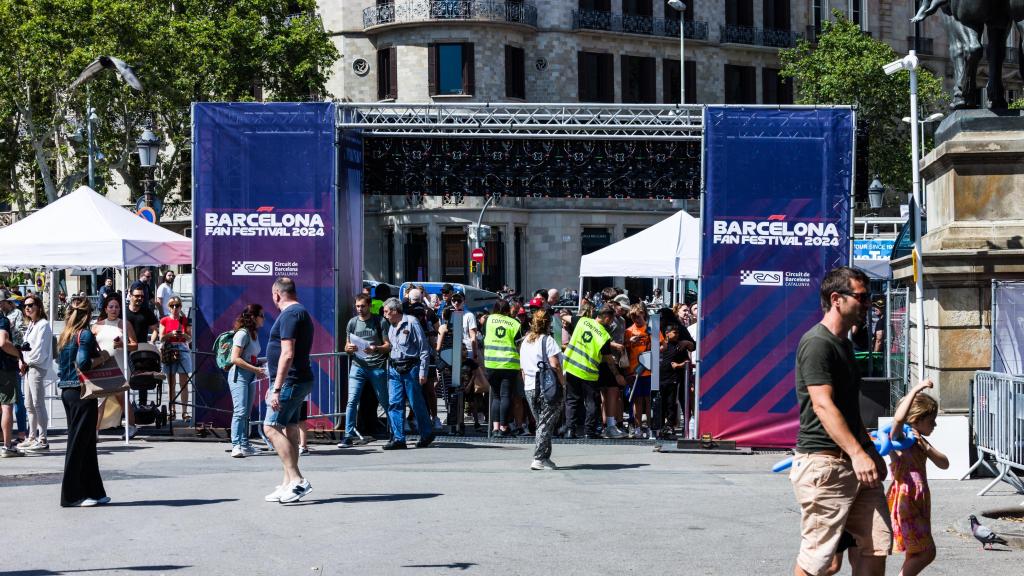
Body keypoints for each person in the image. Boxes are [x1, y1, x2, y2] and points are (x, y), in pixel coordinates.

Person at [790, 266, 891, 576]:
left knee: (876, 543)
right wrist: (858, 454)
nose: (867, 304)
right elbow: (823, 404)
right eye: (861, 297)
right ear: (837, 298)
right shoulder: (817, 343)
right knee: (818, 561)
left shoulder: (844, 344)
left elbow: (849, 410)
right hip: (826, 463)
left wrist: (868, 450)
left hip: (854, 460)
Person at [887, 380, 948, 576]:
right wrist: (915, 389)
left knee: (915, 553)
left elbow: (944, 463)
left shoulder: (919, 442)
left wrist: (926, 447)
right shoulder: (900, 440)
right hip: (907, 501)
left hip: (918, 502)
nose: (935, 424)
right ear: (916, 419)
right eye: (931, 420)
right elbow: (898, 420)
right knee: (927, 552)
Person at [263, 277, 315, 503]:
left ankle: (297, 480)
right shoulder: (299, 313)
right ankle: (287, 483)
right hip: (297, 380)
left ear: (276, 293)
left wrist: (276, 388)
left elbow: (287, 353)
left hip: (290, 382)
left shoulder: (290, 314)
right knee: (290, 428)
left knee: (271, 427)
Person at [56, 299, 111, 506]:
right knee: (79, 444)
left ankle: (94, 491)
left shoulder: (65, 335)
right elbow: (83, 363)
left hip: (68, 391)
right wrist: (103, 357)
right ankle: (72, 496)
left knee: (86, 443)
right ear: (88, 314)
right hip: (82, 393)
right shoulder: (85, 334)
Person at [563, 305, 624, 439]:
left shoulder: (582, 321)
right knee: (592, 402)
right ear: (607, 318)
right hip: (588, 372)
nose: (611, 322)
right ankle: (589, 431)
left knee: (572, 400)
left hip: (571, 367)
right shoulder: (603, 335)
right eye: (611, 319)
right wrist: (617, 374)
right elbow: (608, 358)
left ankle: (570, 430)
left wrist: (563, 318)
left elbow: (565, 316)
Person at [381, 297, 434, 450]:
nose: (384, 315)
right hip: (394, 368)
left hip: (411, 368)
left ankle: (426, 433)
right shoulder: (390, 326)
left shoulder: (411, 322)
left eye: (386, 312)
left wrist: (423, 371)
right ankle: (398, 438)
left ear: (395, 311)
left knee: (415, 403)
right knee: (394, 403)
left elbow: (424, 348)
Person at [340, 293, 391, 447]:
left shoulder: (380, 321)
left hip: (377, 367)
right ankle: (348, 435)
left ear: (369, 305)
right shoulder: (352, 323)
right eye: (357, 306)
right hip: (358, 366)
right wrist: (349, 348)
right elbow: (346, 346)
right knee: (352, 401)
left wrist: (375, 348)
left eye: (362, 306)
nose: (359, 309)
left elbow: (388, 345)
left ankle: (395, 432)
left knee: (384, 400)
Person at [519, 309, 565, 470]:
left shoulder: (525, 342)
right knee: (545, 423)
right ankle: (538, 458)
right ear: (548, 324)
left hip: (530, 386)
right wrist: (563, 383)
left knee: (542, 422)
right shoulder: (548, 340)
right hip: (548, 386)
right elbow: (555, 364)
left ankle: (545, 456)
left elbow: (523, 368)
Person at [92, 294, 136, 438]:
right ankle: (95, 432)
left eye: (117, 307)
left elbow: (134, 345)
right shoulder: (97, 325)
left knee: (122, 397)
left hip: (120, 365)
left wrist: (124, 345)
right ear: (105, 308)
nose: (114, 309)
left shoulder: (125, 324)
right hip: (102, 365)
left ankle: (131, 426)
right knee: (100, 398)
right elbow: (90, 344)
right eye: (111, 307)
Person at [16, 294, 52, 452]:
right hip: (28, 366)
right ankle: (32, 437)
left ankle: (43, 439)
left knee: (38, 403)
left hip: (36, 366)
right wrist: (22, 362)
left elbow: (39, 350)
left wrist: (25, 363)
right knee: (28, 404)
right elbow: (26, 348)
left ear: (38, 306)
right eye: (25, 306)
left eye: (30, 305)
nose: (27, 308)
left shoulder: (43, 324)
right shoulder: (32, 324)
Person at [228, 304, 265, 458]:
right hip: (239, 376)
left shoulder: (253, 334)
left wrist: (261, 364)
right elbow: (234, 358)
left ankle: (244, 443)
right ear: (253, 317)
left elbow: (251, 357)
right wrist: (256, 369)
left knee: (246, 412)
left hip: (249, 375)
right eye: (261, 315)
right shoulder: (242, 334)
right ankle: (236, 445)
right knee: (240, 411)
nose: (263, 318)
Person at [483, 299, 522, 436]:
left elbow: (484, 336)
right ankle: (504, 428)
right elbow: (518, 345)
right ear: (507, 310)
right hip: (509, 364)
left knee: (496, 396)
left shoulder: (488, 320)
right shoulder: (515, 323)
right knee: (506, 395)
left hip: (491, 363)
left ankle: (495, 428)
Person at [159, 296, 192, 422]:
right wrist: (170, 334)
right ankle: (171, 411)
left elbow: (190, 338)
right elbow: (161, 338)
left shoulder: (185, 320)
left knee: (184, 383)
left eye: (177, 305)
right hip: (169, 349)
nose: (174, 308)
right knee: (171, 383)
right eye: (172, 305)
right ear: (168, 307)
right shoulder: (164, 320)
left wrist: (183, 335)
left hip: (183, 349)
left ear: (180, 306)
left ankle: (184, 412)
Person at [125, 286, 159, 406]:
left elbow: (155, 329)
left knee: (143, 377)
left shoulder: (146, 311)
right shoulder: (123, 312)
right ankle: (126, 407)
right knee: (126, 379)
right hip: (125, 349)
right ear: (130, 295)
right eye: (137, 296)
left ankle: (143, 404)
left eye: (142, 296)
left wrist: (152, 341)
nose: (140, 298)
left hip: (142, 351)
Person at [624, 303, 652, 438]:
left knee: (649, 399)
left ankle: (650, 427)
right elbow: (624, 349)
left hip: (650, 370)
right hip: (635, 371)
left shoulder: (651, 329)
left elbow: (662, 346)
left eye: (639, 317)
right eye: (634, 318)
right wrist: (630, 341)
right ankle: (637, 427)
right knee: (637, 400)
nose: (636, 320)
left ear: (644, 315)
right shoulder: (629, 331)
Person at [0, 303, 22, 457]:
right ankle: (7, 446)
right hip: (4, 368)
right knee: (7, 406)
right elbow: (3, 342)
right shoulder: (2, 320)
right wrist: (18, 355)